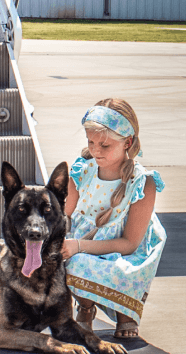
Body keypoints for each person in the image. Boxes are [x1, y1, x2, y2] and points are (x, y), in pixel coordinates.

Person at [61, 99, 166, 339]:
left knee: (81, 263)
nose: (96, 150)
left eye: (105, 145)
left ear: (127, 142)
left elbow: (130, 244)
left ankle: (125, 312)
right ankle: (86, 308)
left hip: (126, 255)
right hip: (85, 248)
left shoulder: (142, 182)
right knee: (65, 263)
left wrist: (78, 246)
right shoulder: (81, 171)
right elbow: (63, 214)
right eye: (91, 142)